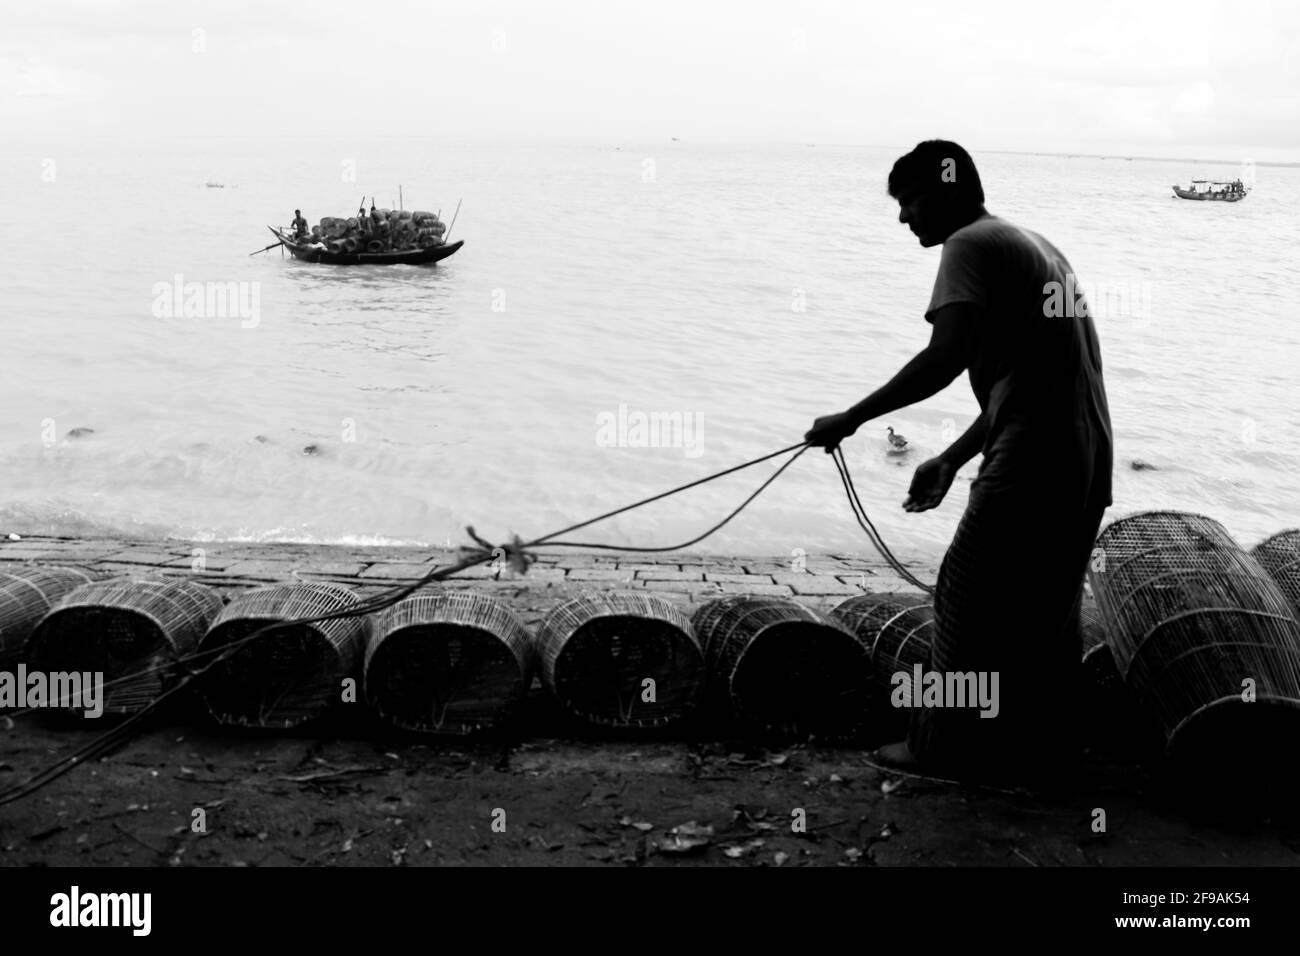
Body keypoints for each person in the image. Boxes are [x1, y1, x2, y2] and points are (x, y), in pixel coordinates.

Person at [804, 140, 1113, 784]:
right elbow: (1029, 381)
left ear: (948, 190)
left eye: (910, 201)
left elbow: (944, 358)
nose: (904, 218)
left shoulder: (969, 245)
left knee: (966, 599)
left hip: (1031, 461)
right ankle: (1044, 749)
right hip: (1083, 457)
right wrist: (950, 456)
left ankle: (942, 749)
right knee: (1046, 616)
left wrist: (851, 418)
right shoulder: (1034, 245)